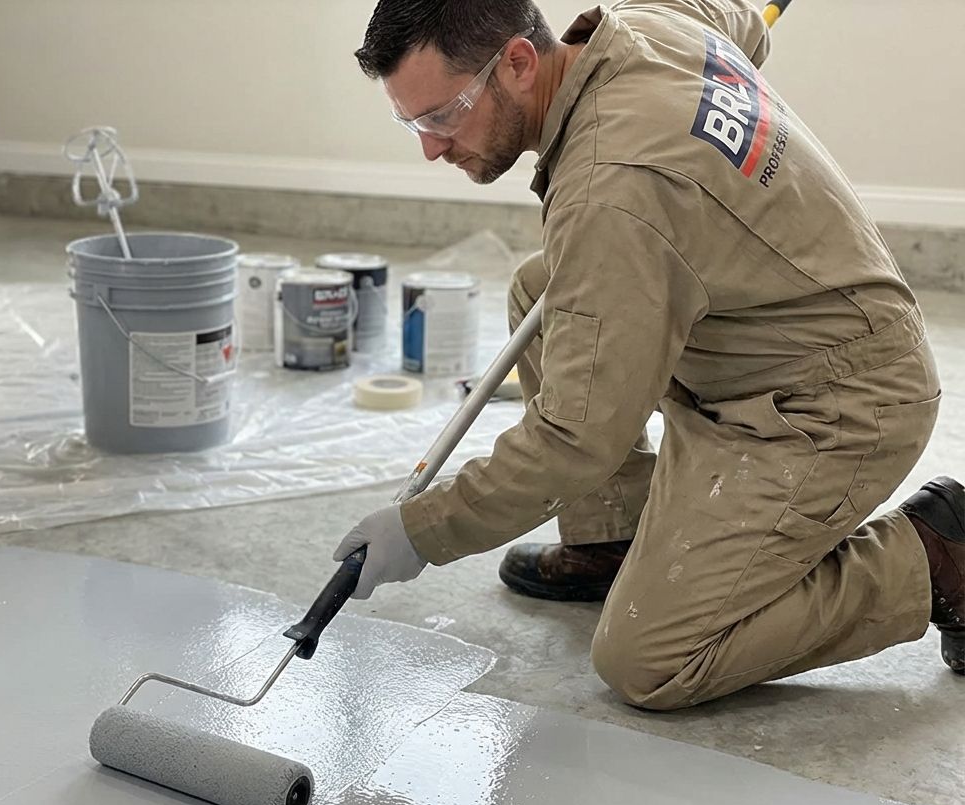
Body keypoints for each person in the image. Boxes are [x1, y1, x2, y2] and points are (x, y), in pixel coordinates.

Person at [336, 0, 963, 710]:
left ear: (516, 62)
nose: (431, 147)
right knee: (544, 289)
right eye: (413, 122)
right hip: (768, 332)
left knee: (650, 659)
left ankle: (938, 557)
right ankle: (616, 535)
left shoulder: (613, 192)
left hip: (834, 400)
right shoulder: (649, 24)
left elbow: (574, 438)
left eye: (442, 115)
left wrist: (422, 531)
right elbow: (743, 22)